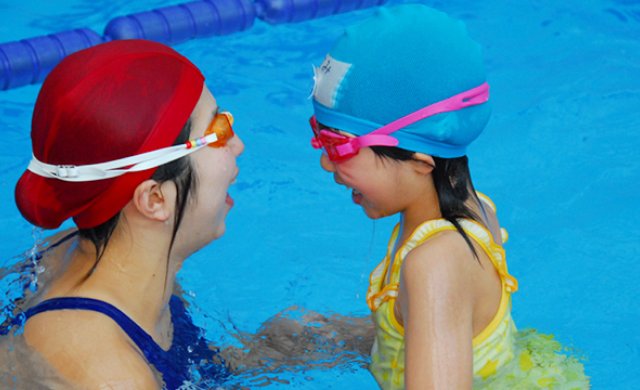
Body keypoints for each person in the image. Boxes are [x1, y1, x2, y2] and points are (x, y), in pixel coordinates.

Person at [308, 4, 589, 389]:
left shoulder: (435, 264)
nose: (325, 163)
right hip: (523, 369)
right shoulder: (469, 205)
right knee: (293, 332)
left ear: (421, 162)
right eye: (319, 136)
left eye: (338, 146)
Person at [10, 39, 244, 389]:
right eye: (218, 132)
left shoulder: (86, 257)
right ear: (154, 199)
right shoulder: (109, 372)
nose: (238, 145)